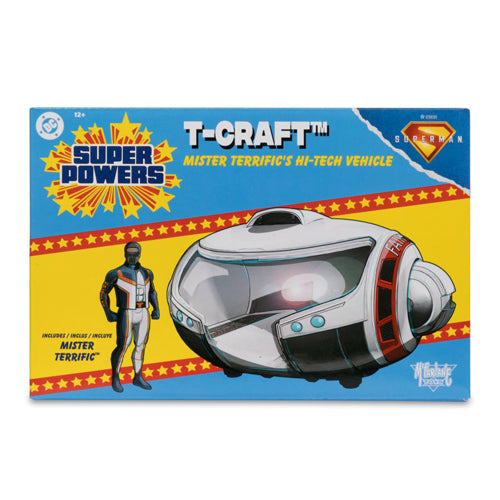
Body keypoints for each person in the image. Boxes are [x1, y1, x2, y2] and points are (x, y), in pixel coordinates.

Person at [100, 242, 160, 392]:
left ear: (140, 254)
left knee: (141, 345)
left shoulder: (147, 273)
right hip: (126, 312)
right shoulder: (116, 273)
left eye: (135, 253)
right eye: (130, 253)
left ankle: (138, 376)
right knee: (122, 346)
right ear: (125, 253)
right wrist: (108, 312)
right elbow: (103, 293)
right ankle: (115, 377)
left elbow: (152, 291)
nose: (132, 256)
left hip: (143, 312)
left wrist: (156, 308)